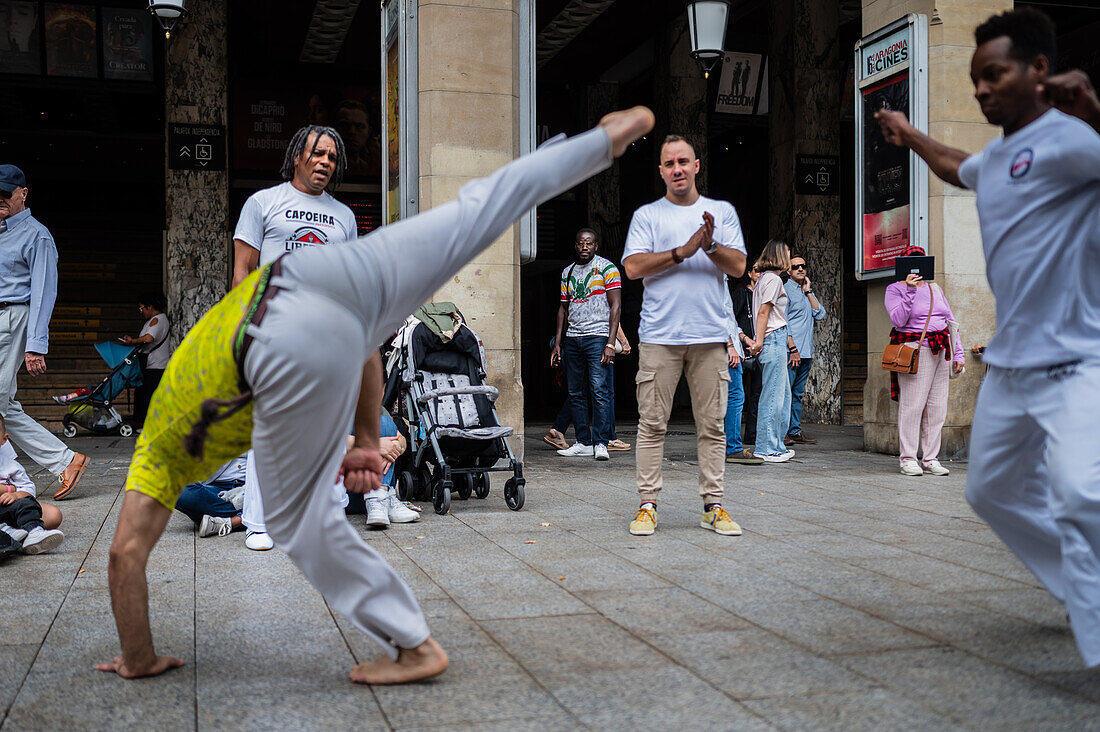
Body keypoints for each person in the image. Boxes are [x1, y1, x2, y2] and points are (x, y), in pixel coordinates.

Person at [95, 106, 655, 683]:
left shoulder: (162, 443)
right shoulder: (227, 329)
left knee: (300, 526)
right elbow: (358, 335)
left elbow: (123, 555)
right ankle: (600, 141)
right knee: (475, 211)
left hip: (268, 338)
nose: (325, 162)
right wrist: (364, 440)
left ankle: (415, 647)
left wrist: (138, 658)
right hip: (336, 277)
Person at [875, 9, 1100, 666]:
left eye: (992, 75)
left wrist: (1094, 112)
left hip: (1079, 360)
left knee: (1080, 490)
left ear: (1037, 71)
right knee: (989, 489)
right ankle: (1078, 585)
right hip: (1012, 364)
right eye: (974, 80)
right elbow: (956, 165)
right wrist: (909, 132)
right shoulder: (1000, 156)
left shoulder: (1071, 140)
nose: (979, 90)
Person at [232, 125, 360, 552]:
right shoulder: (263, 203)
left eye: (332, 157)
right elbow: (242, 273)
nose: (325, 162)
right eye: (317, 153)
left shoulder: (344, 216)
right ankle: (260, 523)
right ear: (297, 156)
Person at [621, 134, 748, 538]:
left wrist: (708, 246)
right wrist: (682, 250)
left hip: (710, 337)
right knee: (651, 424)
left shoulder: (720, 211)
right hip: (659, 337)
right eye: (669, 163)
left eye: (683, 161)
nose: (677, 168)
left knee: (712, 426)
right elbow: (634, 267)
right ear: (661, 171)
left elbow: (740, 266)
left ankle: (713, 505)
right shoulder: (648, 217)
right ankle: (647, 505)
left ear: (696, 166)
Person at [0, 164, 88, 500]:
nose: (0, 200)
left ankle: (42, 469)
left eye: (6, 193)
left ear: (23, 193)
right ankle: (67, 461)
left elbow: (43, 292)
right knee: (3, 405)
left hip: (13, 319)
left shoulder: (37, 235)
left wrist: (36, 345)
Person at [884, 246, 965, 476]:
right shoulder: (894, 289)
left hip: (940, 351)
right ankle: (908, 459)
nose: (916, 267)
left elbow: (951, 322)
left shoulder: (935, 289)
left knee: (937, 408)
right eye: (911, 262)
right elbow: (899, 320)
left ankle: (930, 458)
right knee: (912, 407)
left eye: (921, 262)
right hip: (915, 351)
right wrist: (909, 290)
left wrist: (958, 353)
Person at [550, 228, 622, 461]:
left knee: (599, 390)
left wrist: (611, 344)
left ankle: (601, 442)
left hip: (597, 337)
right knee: (575, 392)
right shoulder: (567, 272)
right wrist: (557, 343)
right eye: (581, 243)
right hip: (572, 338)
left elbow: (616, 306)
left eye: (589, 243)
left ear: (596, 246)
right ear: (576, 245)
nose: (584, 247)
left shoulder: (607, 269)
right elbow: (563, 308)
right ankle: (583, 441)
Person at [749, 241, 795, 463]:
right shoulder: (773, 279)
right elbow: (763, 312)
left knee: (781, 396)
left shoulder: (764, 279)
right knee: (773, 397)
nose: (789, 256)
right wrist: (758, 341)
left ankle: (775, 444)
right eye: (787, 253)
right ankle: (767, 448)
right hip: (773, 339)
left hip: (774, 339)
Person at [0, 414, 64, 554]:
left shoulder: (10, 465)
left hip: (6, 509)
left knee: (29, 505)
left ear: (3, 440)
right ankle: (8, 534)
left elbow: (28, 488)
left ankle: (34, 533)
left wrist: (15, 494)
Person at [783, 255, 826, 446]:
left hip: (807, 351)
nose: (800, 269)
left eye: (803, 266)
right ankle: (782, 432)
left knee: (798, 394)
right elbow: (783, 323)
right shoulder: (785, 291)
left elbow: (821, 314)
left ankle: (794, 431)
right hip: (792, 352)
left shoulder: (806, 291)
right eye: (796, 267)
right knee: (785, 393)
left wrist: (809, 291)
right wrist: (792, 349)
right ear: (788, 271)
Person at [120, 292, 171, 430]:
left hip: (156, 366)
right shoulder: (154, 320)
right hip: (152, 365)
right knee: (143, 394)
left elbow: (149, 338)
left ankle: (148, 425)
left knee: (147, 395)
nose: (141, 311)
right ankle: (144, 423)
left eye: (142, 308)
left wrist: (132, 341)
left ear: (150, 307)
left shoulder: (158, 319)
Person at [724, 288, 762, 466]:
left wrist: (745, 340)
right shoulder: (715, 279)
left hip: (726, 346)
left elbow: (730, 320)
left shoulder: (718, 279)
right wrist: (729, 345)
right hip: (725, 349)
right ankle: (732, 448)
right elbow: (717, 316)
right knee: (735, 396)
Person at [173, 454, 247, 538]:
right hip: (214, 487)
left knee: (260, 497)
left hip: (247, 489)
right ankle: (245, 517)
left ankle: (232, 522)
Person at [730, 265, 761, 450]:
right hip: (740, 351)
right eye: (756, 270)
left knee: (756, 395)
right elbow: (731, 320)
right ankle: (732, 439)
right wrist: (736, 344)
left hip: (758, 351)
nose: (760, 274)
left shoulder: (764, 295)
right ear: (749, 273)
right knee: (736, 395)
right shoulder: (741, 294)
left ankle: (751, 435)